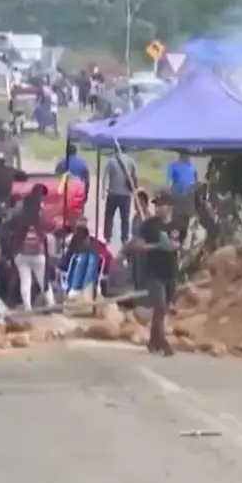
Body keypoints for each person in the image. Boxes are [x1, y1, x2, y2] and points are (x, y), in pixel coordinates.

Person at [128, 193, 182, 355]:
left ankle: (153, 342)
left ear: (170, 207)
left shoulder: (177, 225)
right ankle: (163, 343)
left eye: (161, 205)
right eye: (156, 205)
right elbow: (137, 245)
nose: (158, 208)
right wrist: (158, 246)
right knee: (160, 306)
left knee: (161, 310)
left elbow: (180, 245)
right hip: (153, 272)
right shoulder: (149, 225)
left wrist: (175, 247)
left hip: (170, 272)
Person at [103, 149, 139, 245]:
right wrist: (135, 191)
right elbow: (135, 177)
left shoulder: (111, 161)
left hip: (113, 193)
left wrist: (103, 191)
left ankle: (107, 236)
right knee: (125, 217)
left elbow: (105, 177)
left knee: (109, 216)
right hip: (126, 195)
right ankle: (124, 237)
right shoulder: (131, 161)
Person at [54, 143, 90, 208]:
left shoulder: (62, 162)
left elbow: (56, 178)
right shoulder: (83, 163)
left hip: (64, 191)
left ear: (67, 151)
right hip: (77, 192)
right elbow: (87, 181)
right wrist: (86, 194)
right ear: (76, 152)